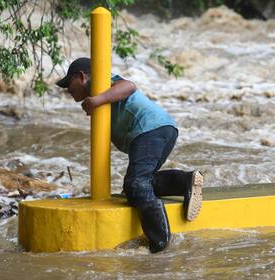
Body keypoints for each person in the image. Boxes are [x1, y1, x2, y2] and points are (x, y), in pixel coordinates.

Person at [56, 57, 203, 253]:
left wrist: (98, 99)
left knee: (136, 184)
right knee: (137, 185)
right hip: (162, 129)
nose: (68, 89)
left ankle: (160, 243)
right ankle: (185, 181)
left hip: (149, 129)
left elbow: (129, 86)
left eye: (69, 83)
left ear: (82, 77)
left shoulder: (100, 84)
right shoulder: (99, 96)